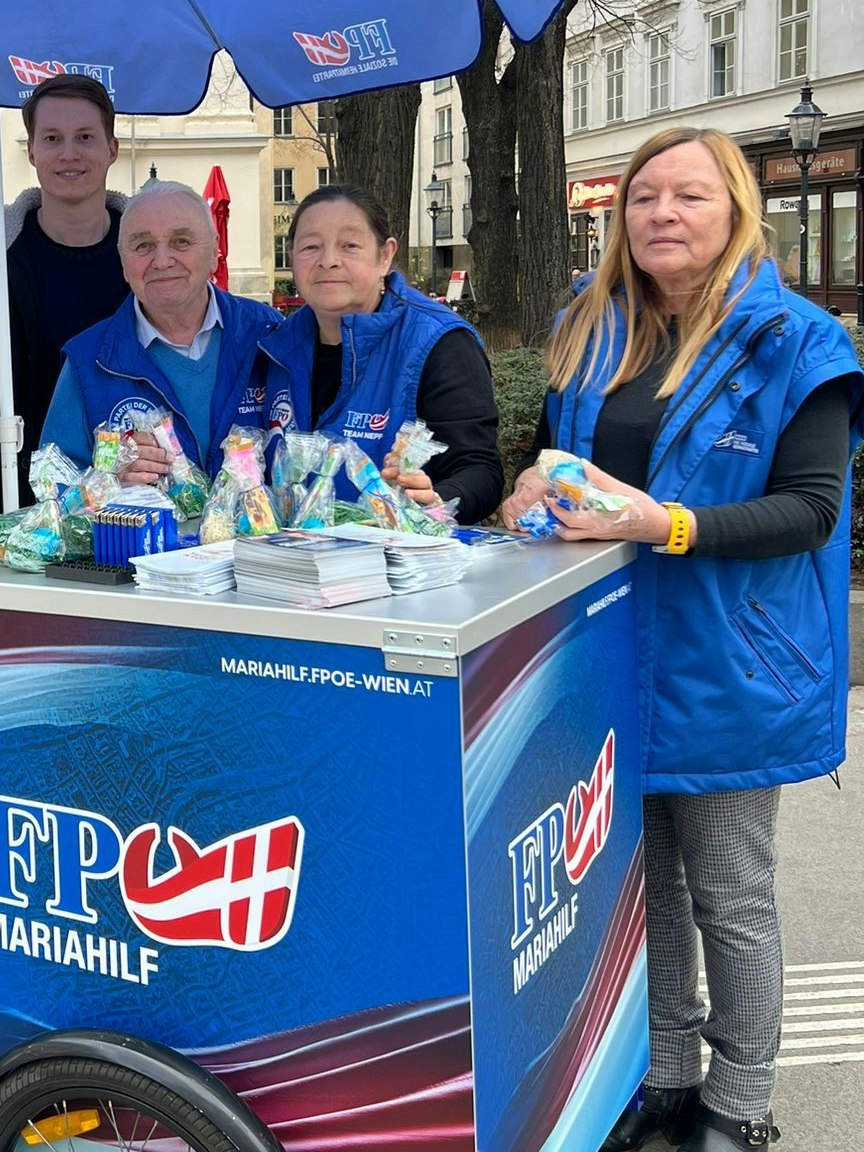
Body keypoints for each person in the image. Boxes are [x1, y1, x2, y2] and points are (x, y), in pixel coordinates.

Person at [498, 127, 864, 1152]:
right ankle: (662, 1077)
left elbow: (811, 511)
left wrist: (660, 524)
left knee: (730, 896)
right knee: (635, 885)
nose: (663, 212)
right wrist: (533, 484)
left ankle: (740, 1108)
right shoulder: (591, 323)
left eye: (690, 195)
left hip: (733, 666)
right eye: (646, 195)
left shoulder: (795, 341)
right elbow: (558, 458)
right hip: (610, 656)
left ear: (736, 208)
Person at [0, 73, 129, 542]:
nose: (69, 153)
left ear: (111, 148)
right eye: (52, 139)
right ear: (32, 151)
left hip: (126, 501)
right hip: (3, 499)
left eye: (85, 137)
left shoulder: (148, 260)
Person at [257, 185, 503, 524]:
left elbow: (480, 471)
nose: (328, 260)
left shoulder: (439, 341)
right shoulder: (274, 347)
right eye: (311, 246)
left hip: (395, 566)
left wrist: (435, 500)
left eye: (350, 246)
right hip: (290, 565)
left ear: (384, 256)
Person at [40, 180, 281, 479]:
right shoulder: (88, 360)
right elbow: (52, 487)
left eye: (181, 241)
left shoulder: (271, 335)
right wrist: (107, 480)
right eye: (143, 246)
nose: (163, 261)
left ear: (214, 249)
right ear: (123, 262)